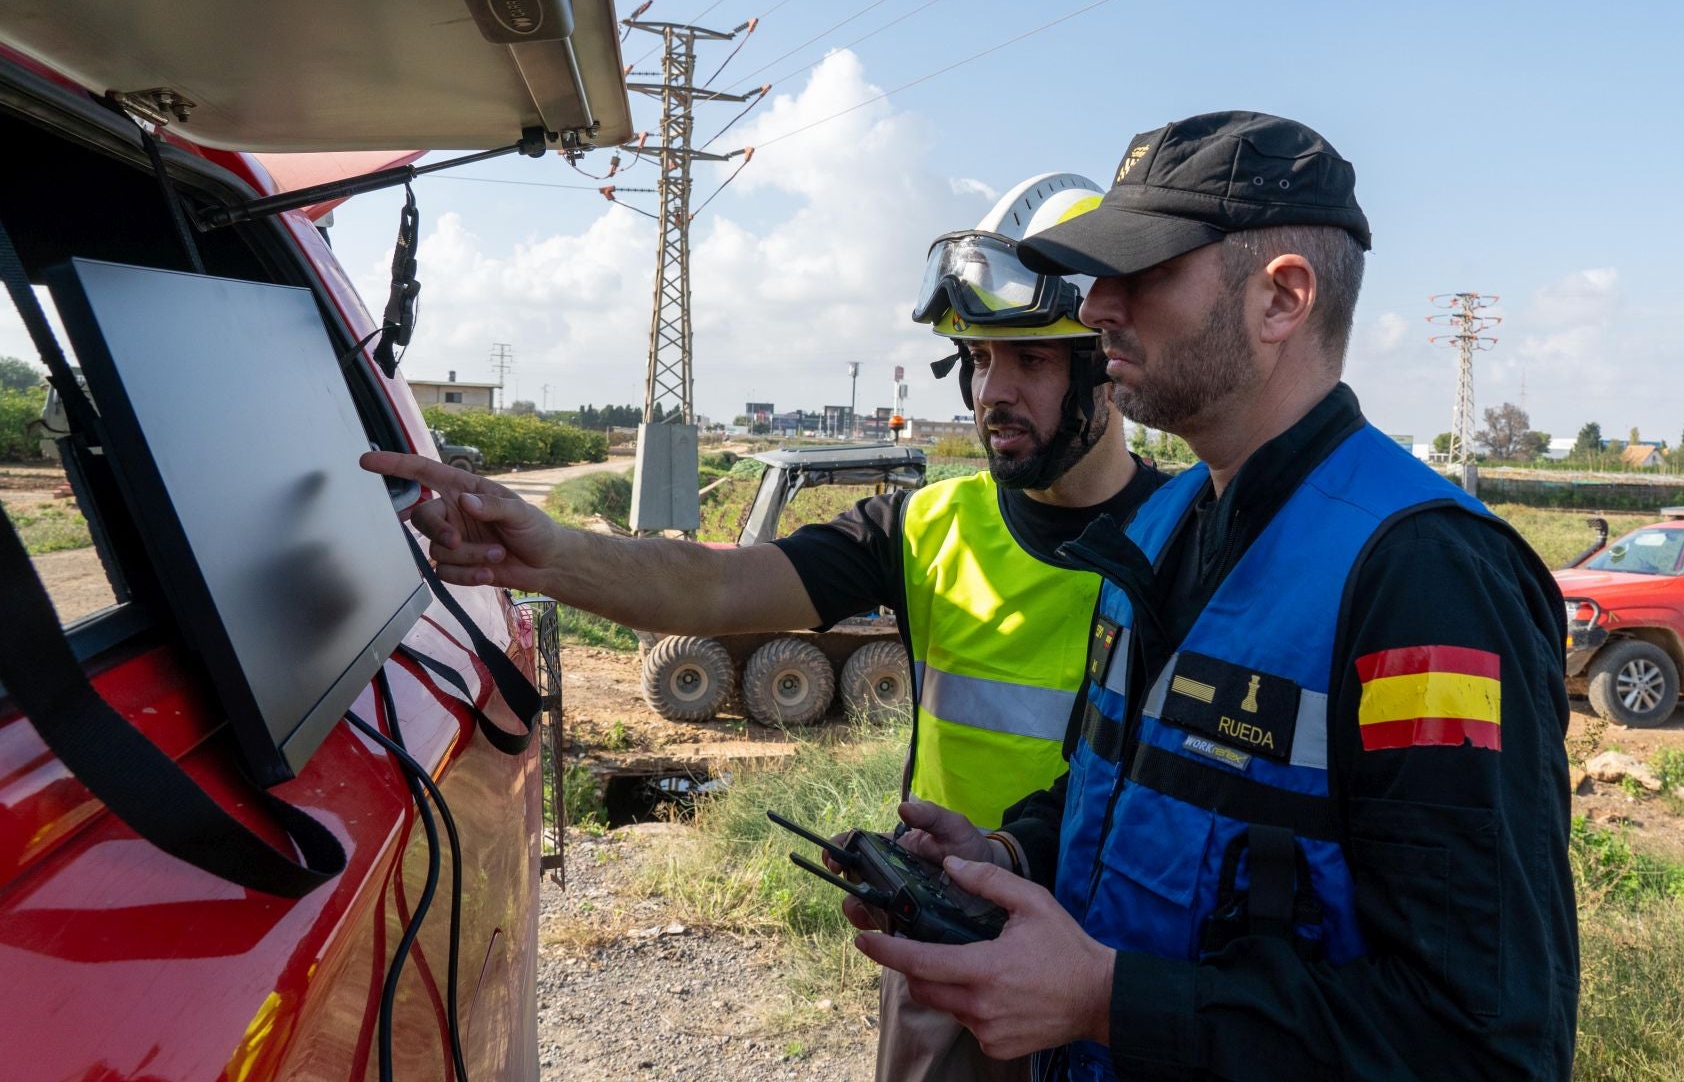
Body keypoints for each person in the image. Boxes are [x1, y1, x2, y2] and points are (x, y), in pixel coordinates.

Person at [360, 172, 1166, 1082]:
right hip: (957, 951)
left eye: (1030, 360)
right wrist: (544, 553)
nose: (990, 393)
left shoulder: (1195, 540)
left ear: (1106, 362)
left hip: (1118, 965)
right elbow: (714, 589)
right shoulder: (930, 527)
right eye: (977, 359)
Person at [846, 112, 1580, 1080]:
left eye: (1140, 272)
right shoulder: (1157, 532)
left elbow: (1482, 1035)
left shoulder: (1426, 583)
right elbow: (1136, 793)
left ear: (1282, 298)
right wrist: (1011, 855)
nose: (1099, 305)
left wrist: (1109, 999)